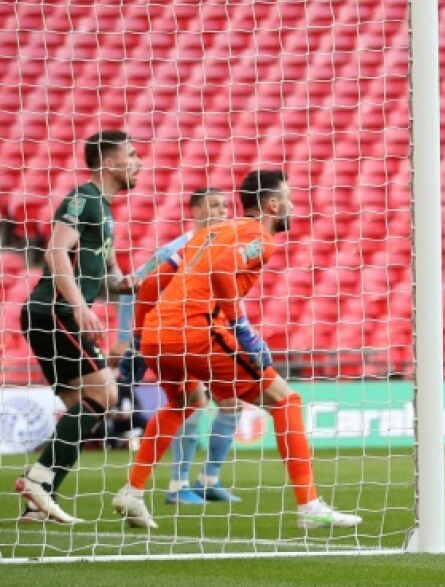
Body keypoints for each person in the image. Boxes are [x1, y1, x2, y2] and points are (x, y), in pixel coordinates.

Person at [112, 170, 361, 530]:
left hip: (157, 335)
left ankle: (132, 492)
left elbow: (150, 285)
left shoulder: (208, 234)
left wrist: (138, 340)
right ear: (273, 204)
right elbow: (224, 267)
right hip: (196, 331)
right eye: (288, 198)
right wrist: (241, 327)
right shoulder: (259, 236)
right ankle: (310, 506)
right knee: (285, 400)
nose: (292, 205)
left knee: (187, 402)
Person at [16, 130, 141, 525]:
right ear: (109, 162)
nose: (139, 161)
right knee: (105, 394)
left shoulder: (105, 211)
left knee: (79, 408)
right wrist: (78, 306)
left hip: (54, 312)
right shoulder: (83, 198)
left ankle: (39, 502)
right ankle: (38, 479)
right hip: (55, 310)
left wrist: (128, 282)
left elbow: (111, 273)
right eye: (132, 154)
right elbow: (55, 250)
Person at [114, 187, 265, 506]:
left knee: (232, 403)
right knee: (190, 405)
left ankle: (209, 479)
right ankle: (177, 484)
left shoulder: (230, 244)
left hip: (214, 333)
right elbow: (137, 286)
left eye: (226, 205)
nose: (223, 211)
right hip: (178, 334)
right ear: (196, 211)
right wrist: (129, 337)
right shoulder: (176, 249)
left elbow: (230, 292)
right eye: (214, 205)